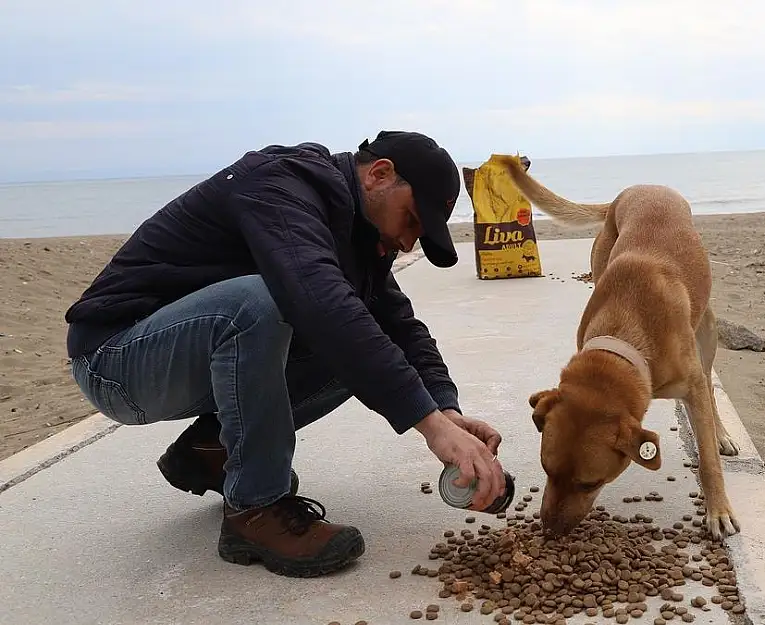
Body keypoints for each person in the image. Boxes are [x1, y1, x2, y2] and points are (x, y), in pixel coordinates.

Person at [63, 130, 508, 578]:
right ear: (379, 174)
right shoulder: (280, 187)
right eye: (411, 220)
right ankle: (254, 511)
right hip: (116, 359)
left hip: (189, 359)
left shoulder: (358, 232)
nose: (409, 243)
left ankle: (211, 453)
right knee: (262, 304)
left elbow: (399, 328)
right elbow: (321, 303)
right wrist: (428, 426)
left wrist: (445, 412)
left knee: (355, 342)